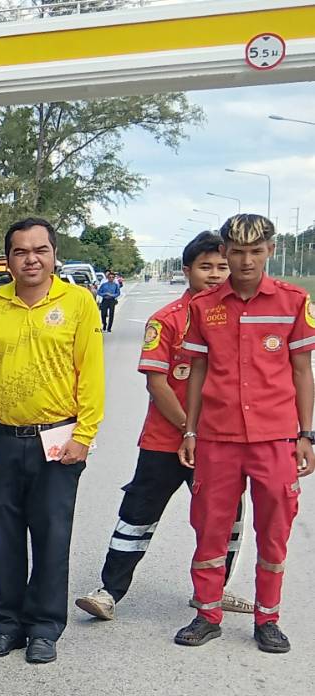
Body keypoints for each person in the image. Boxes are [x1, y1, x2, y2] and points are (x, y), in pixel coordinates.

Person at [76, 232, 253, 621]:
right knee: (138, 514)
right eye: (205, 267)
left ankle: (213, 591)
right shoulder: (168, 320)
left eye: (222, 267)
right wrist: (190, 430)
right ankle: (108, 592)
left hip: (222, 443)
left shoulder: (243, 320)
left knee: (225, 518)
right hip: (165, 440)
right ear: (187, 270)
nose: (215, 274)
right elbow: (157, 384)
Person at [0, 217, 104, 665]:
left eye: (40, 250)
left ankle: (44, 628)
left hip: (58, 441)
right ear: (7, 259)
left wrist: (84, 435)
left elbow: (91, 374)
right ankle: (6, 626)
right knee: (3, 539)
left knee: (51, 537)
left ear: (54, 255)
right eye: (21, 251)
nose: (31, 259)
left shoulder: (78, 302)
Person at [175, 213, 315, 653]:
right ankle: (207, 613)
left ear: (271, 250)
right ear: (225, 252)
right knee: (210, 527)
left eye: (256, 251)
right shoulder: (204, 306)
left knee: (275, 530)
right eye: (237, 252)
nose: (247, 261)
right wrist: (190, 430)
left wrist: (306, 434)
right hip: (218, 437)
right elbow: (197, 371)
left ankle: (267, 618)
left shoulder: (293, 301)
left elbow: (302, 370)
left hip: (276, 437)